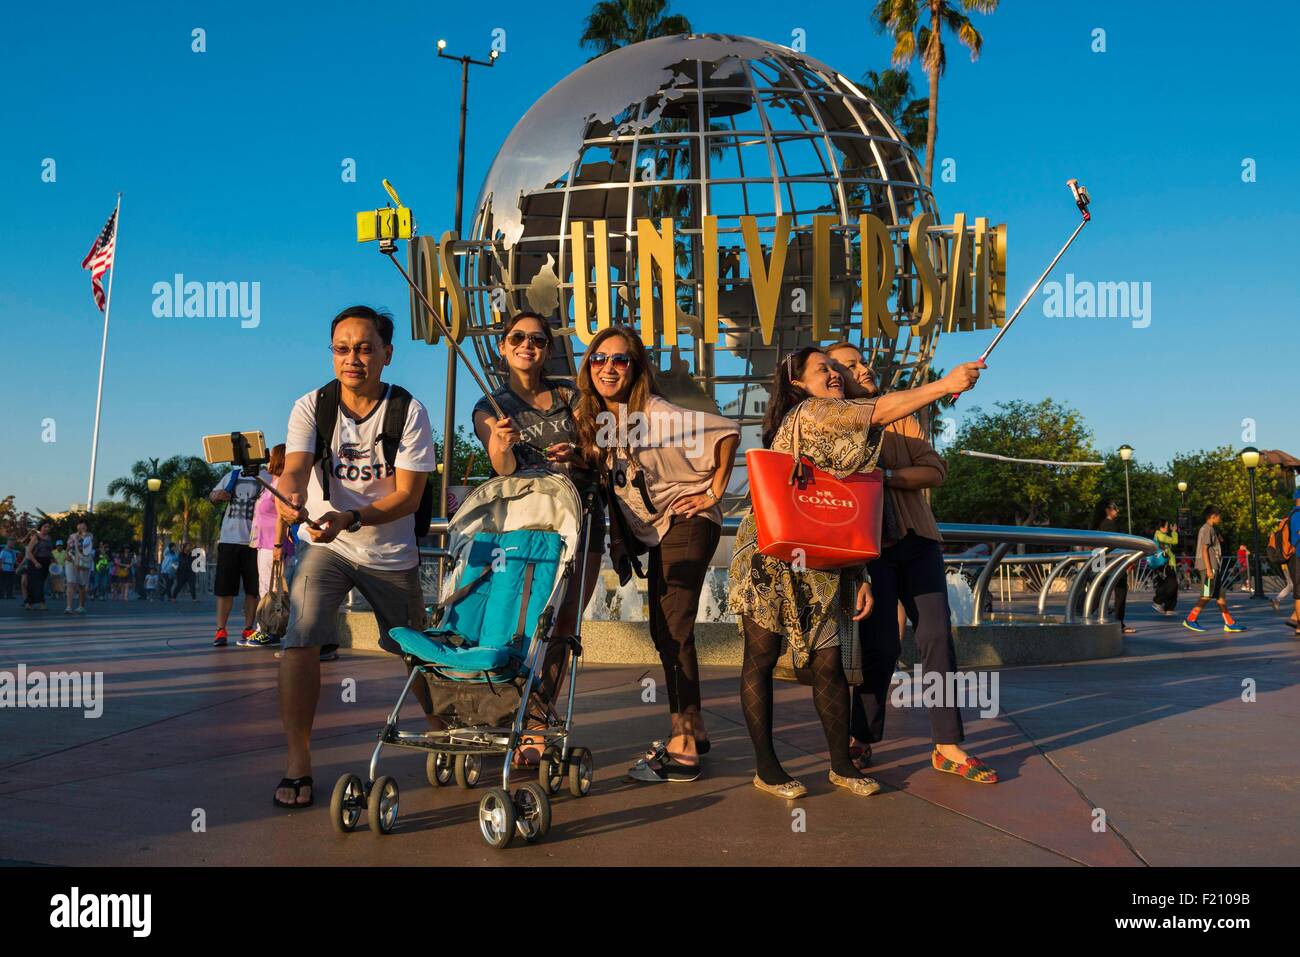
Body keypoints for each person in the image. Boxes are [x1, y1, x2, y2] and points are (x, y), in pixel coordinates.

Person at [728, 347, 984, 799]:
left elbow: (854, 508)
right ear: (797, 385)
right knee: (762, 656)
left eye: (835, 368)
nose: (834, 374)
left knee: (830, 661)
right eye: (823, 369)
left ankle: (842, 763)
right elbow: (879, 413)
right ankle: (767, 767)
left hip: (825, 554)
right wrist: (946, 385)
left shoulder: (859, 421)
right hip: (772, 551)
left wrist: (860, 573)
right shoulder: (814, 412)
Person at [271, 304, 437, 810]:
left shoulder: (409, 411)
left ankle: (443, 729)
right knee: (300, 638)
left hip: (388, 552)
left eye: (365, 348)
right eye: (342, 349)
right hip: (328, 544)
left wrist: (355, 517)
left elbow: (408, 497)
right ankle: (298, 761)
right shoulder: (311, 406)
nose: (353, 359)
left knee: (415, 649)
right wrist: (290, 495)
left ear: (387, 354)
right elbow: (296, 467)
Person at [573, 325, 740, 783]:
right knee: (664, 626)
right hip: (657, 531)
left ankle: (683, 745)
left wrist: (715, 490)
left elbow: (726, 431)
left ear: (637, 367)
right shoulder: (593, 418)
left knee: (673, 623)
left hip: (688, 520)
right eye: (600, 359)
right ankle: (695, 727)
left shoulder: (657, 413)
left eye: (621, 360)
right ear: (588, 366)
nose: (609, 367)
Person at [826, 342, 997, 784]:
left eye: (863, 360)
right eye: (851, 365)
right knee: (879, 644)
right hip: (868, 549)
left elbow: (935, 470)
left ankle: (947, 744)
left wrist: (882, 478)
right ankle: (861, 736)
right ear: (832, 377)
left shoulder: (905, 414)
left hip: (919, 539)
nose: (864, 368)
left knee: (938, 638)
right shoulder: (831, 421)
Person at [471, 311, 606, 763]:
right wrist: (503, 444)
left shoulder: (573, 397)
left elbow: (600, 451)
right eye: (517, 338)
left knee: (563, 626)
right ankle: (509, 712)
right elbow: (502, 469)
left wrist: (580, 451)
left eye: (538, 339)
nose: (528, 345)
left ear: (548, 349)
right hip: (526, 529)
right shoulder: (490, 406)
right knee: (523, 624)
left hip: (582, 522)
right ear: (504, 347)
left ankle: (537, 721)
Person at [209, 458, 272, 646]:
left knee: (253, 590)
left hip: (255, 541)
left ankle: (248, 628)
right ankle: (221, 630)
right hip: (229, 539)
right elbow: (212, 496)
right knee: (224, 588)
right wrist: (217, 495)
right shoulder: (232, 475)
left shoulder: (267, 477)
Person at [244, 443, 295, 648]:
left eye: (271, 456)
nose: (267, 458)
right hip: (263, 543)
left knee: (273, 589)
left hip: (274, 544)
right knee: (265, 587)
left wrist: (278, 544)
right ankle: (263, 627)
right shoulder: (273, 481)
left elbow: (283, 516)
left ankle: (270, 630)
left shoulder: (283, 482)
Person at [1183, 507, 1246, 634]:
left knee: (1221, 594)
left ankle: (1229, 623)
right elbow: (1204, 549)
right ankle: (1191, 618)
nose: (1220, 518)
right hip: (1209, 566)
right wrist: (1208, 570)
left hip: (1213, 566)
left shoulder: (1210, 529)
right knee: (1206, 595)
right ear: (1213, 516)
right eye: (1219, 516)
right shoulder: (1207, 529)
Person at [1094, 501, 1136, 634]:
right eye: (1115, 509)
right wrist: (1127, 560)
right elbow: (1117, 545)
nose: (1117, 511)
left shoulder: (1098, 525)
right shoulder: (1111, 525)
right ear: (1108, 510)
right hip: (1114, 563)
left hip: (1100, 562)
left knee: (1098, 591)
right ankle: (1119, 623)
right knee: (1121, 590)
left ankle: (1084, 615)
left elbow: (1096, 547)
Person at [64, 520, 94, 615]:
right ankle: (68, 607)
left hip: (83, 562)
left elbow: (87, 548)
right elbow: (68, 547)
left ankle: (81, 606)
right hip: (71, 561)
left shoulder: (89, 536)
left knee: (82, 585)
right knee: (70, 583)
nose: (81, 527)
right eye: (79, 525)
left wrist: (82, 535)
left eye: (84, 525)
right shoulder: (72, 536)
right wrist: (67, 555)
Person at [23, 523, 54, 610]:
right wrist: (36, 562)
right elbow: (29, 551)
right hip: (35, 561)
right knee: (35, 584)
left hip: (46, 562)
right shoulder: (36, 537)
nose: (47, 528)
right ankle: (40, 603)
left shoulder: (49, 538)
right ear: (40, 528)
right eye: (45, 527)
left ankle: (30, 603)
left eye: (48, 527)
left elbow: (50, 551)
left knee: (41, 583)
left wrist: (54, 560)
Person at [1151, 519, 1179, 616]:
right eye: (1165, 526)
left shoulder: (1162, 535)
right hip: (1164, 565)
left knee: (1172, 586)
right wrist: (1174, 531)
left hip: (1169, 564)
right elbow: (1174, 541)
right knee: (1171, 585)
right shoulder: (1159, 534)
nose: (1167, 528)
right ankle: (1157, 602)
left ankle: (1169, 608)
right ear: (1160, 527)